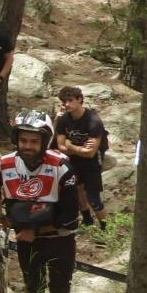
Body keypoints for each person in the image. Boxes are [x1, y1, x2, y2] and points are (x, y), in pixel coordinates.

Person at [0, 110, 81, 293]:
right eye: (23, 140)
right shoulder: (3, 165)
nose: (27, 146)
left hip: (59, 239)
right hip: (26, 240)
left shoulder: (61, 167)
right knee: (34, 291)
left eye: (34, 141)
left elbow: (70, 217)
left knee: (60, 292)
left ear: (45, 142)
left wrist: (34, 230)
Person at [54, 85, 106, 226]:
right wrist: (79, 149)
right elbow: (60, 146)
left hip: (91, 163)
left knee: (93, 198)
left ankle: (105, 228)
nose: (67, 104)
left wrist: (71, 146)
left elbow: (90, 153)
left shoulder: (93, 121)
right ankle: (87, 221)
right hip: (72, 161)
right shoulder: (64, 120)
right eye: (64, 101)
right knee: (77, 191)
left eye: (70, 100)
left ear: (79, 99)